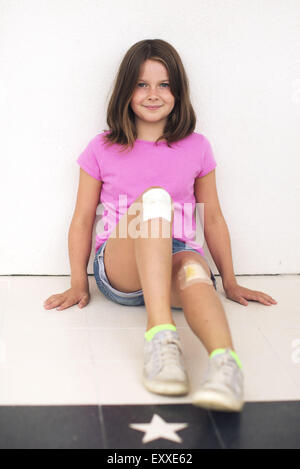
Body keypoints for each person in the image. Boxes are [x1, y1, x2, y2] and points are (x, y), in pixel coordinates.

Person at [43, 39, 277, 412]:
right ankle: (161, 337)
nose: (153, 94)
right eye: (142, 84)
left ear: (177, 92)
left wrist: (229, 280)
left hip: (173, 261)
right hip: (122, 266)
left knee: (194, 270)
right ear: (126, 91)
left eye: (164, 84)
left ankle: (225, 366)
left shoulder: (196, 147)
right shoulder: (102, 147)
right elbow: (83, 218)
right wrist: (77, 282)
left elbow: (212, 216)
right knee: (155, 200)